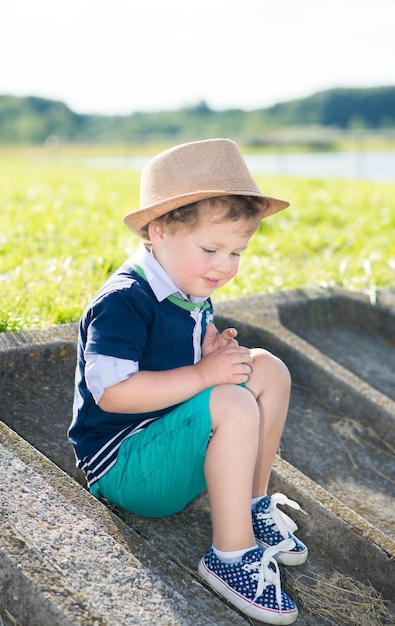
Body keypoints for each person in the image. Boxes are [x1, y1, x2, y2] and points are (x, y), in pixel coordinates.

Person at [69, 138, 308, 625]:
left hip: (169, 442)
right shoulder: (125, 300)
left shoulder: (189, 286)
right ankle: (231, 556)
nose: (225, 266)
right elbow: (113, 393)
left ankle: (252, 503)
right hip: (126, 467)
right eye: (211, 248)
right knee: (231, 402)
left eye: (237, 252)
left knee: (267, 368)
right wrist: (203, 375)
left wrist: (207, 354)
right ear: (157, 231)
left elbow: (175, 361)